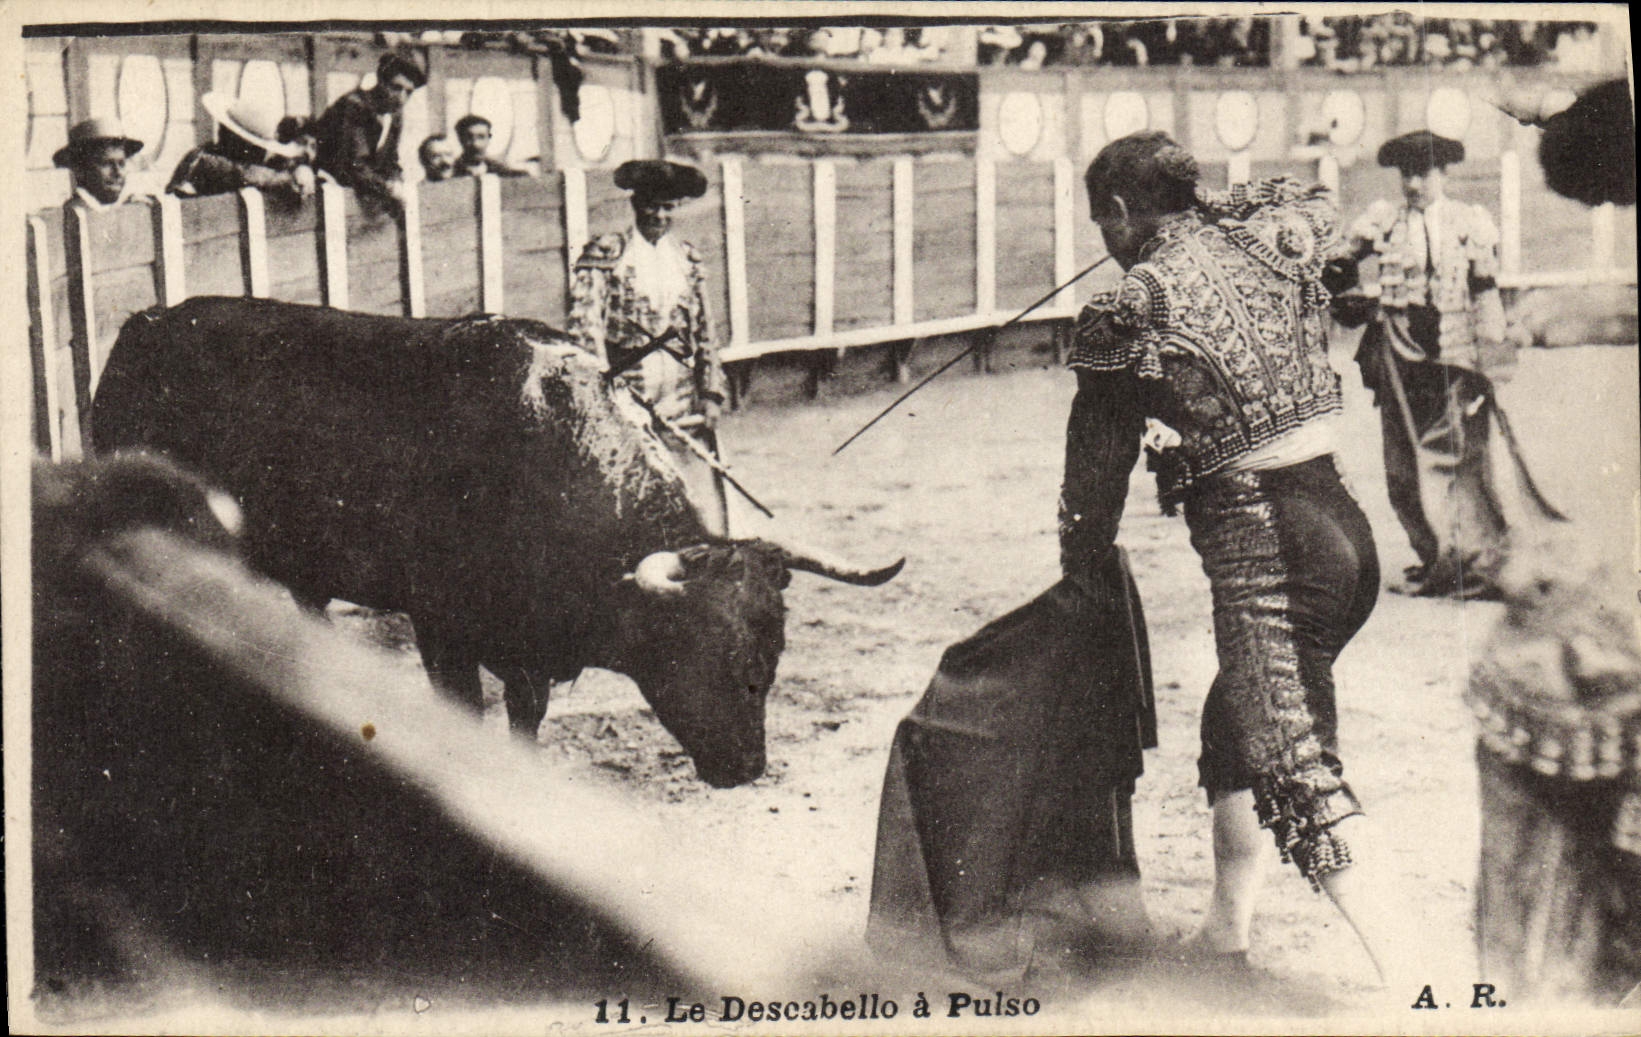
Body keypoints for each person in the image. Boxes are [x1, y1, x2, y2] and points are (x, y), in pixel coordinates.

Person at [1063, 131, 1408, 984]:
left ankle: (1429, 980)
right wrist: (1198, 207)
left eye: (1101, 222)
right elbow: (1299, 199)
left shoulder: (1128, 307)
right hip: (1345, 539)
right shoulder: (1279, 233)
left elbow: (1092, 480)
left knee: (1296, 770)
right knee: (1234, 724)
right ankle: (1225, 931)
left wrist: (1080, 563)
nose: (1104, 243)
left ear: (1114, 211)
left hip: (1272, 555)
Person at [1331, 130, 1559, 599]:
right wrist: (1348, 296)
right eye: (1405, 174)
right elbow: (1338, 266)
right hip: (1396, 347)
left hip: (1454, 348)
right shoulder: (1384, 220)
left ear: (1441, 174)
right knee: (1399, 463)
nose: (1413, 183)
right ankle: (1433, 554)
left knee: (1455, 456)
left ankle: (1468, 559)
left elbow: (1484, 289)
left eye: (1423, 173)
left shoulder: (1467, 221)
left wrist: (1492, 350)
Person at [567, 159, 728, 534]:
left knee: (690, 492)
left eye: (667, 207)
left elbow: (705, 331)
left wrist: (712, 392)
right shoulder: (608, 253)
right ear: (635, 205)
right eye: (651, 205)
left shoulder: (686, 258)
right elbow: (585, 329)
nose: (658, 215)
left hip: (679, 393)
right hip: (625, 394)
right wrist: (601, 394)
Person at [314, 51, 426, 213]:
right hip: (327, 192)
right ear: (381, 81)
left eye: (408, 92)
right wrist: (388, 188)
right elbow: (355, 164)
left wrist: (396, 180)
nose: (401, 98)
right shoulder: (354, 106)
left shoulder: (394, 115)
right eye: (396, 88)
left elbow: (390, 159)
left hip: (360, 193)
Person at [167, 92, 316, 200]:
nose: (261, 152)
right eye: (255, 147)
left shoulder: (207, 152)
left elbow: (272, 165)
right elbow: (244, 174)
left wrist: (301, 168)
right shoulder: (205, 160)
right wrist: (290, 178)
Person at [55, 118, 144, 210]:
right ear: (79, 170)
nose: (118, 173)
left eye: (121, 164)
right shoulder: (69, 217)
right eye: (106, 164)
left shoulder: (132, 209)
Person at [451, 114, 526, 178]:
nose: (476, 144)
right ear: (460, 139)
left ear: (488, 139)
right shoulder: (452, 173)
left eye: (481, 137)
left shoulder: (501, 172)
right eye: (469, 138)